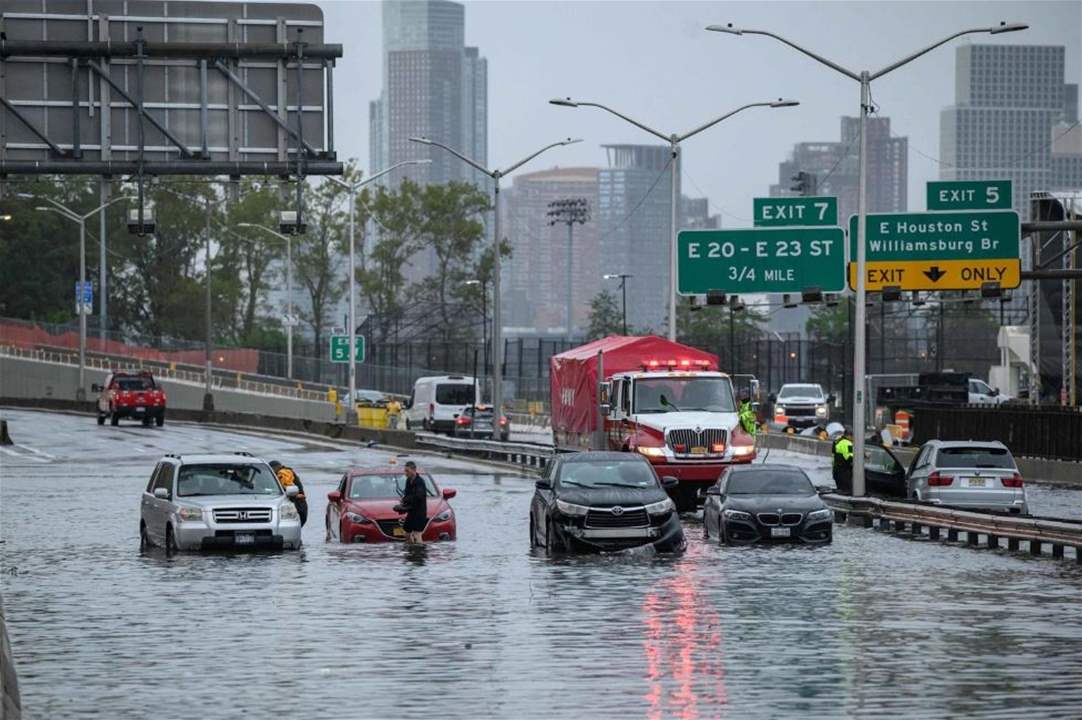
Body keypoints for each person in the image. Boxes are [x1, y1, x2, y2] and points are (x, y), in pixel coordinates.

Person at [393, 461, 428, 545]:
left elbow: (418, 497)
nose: (405, 473)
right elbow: (407, 494)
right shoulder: (408, 480)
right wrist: (403, 503)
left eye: (407, 471)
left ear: (414, 470)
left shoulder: (420, 482)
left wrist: (406, 500)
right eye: (405, 471)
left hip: (420, 512)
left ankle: (419, 553)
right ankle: (410, 550)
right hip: (411, 511)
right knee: (407, 533)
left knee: (417, 534)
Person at [270, 460, 308, 526]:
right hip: (302, 504)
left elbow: (288, 487)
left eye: (271, 470)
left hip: (296, 505)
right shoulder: (289, 472)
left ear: (274, 468)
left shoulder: (283, 473)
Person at [832, 428, 854, 495]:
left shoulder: (837, 441)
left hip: (836, 470)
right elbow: (850, 458)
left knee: (840, 491)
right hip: (844, 472)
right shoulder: (848, 444)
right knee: (846, 492)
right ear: (849, 436)